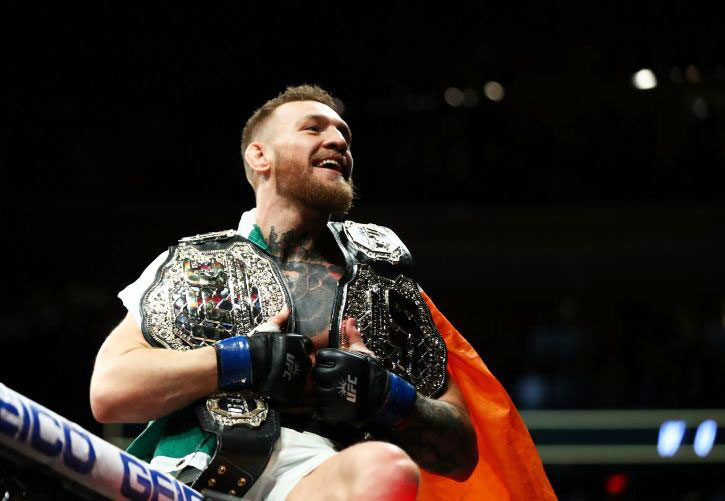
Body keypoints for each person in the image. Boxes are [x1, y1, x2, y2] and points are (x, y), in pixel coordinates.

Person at [90, 85, 555, 500]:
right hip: (193, 473)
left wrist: (389, 397)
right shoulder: (199, 264)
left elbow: (461, 455)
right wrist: (241, 359)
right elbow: (110, 392)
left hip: (325, 477)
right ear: (260, 157)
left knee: (384, 469)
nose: (337, 141)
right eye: (313, 128)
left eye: (343, 134)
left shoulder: (382, 279)